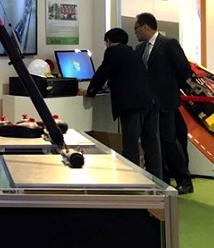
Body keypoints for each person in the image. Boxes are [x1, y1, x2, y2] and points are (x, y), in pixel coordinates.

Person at [78, 27, 162, 179]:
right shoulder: (132, 52)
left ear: (109, 41)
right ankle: (156, 180)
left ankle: (134, 180)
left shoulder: (113, 51)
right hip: (149, 101)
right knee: (151, 143)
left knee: (130, 144)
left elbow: (102, 73)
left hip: (131, 104)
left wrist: (90, 92)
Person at [134, 12, 194, 195]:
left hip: (166, 102)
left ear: (145, 26)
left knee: (169, 140)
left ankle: (184, 180)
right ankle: (162, 178)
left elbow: (184, 70)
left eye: (136, 28)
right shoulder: (139, 48)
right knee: (152, 142)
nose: (135, 32)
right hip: (146, 104)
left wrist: (171, 88)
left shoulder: (168, 44)